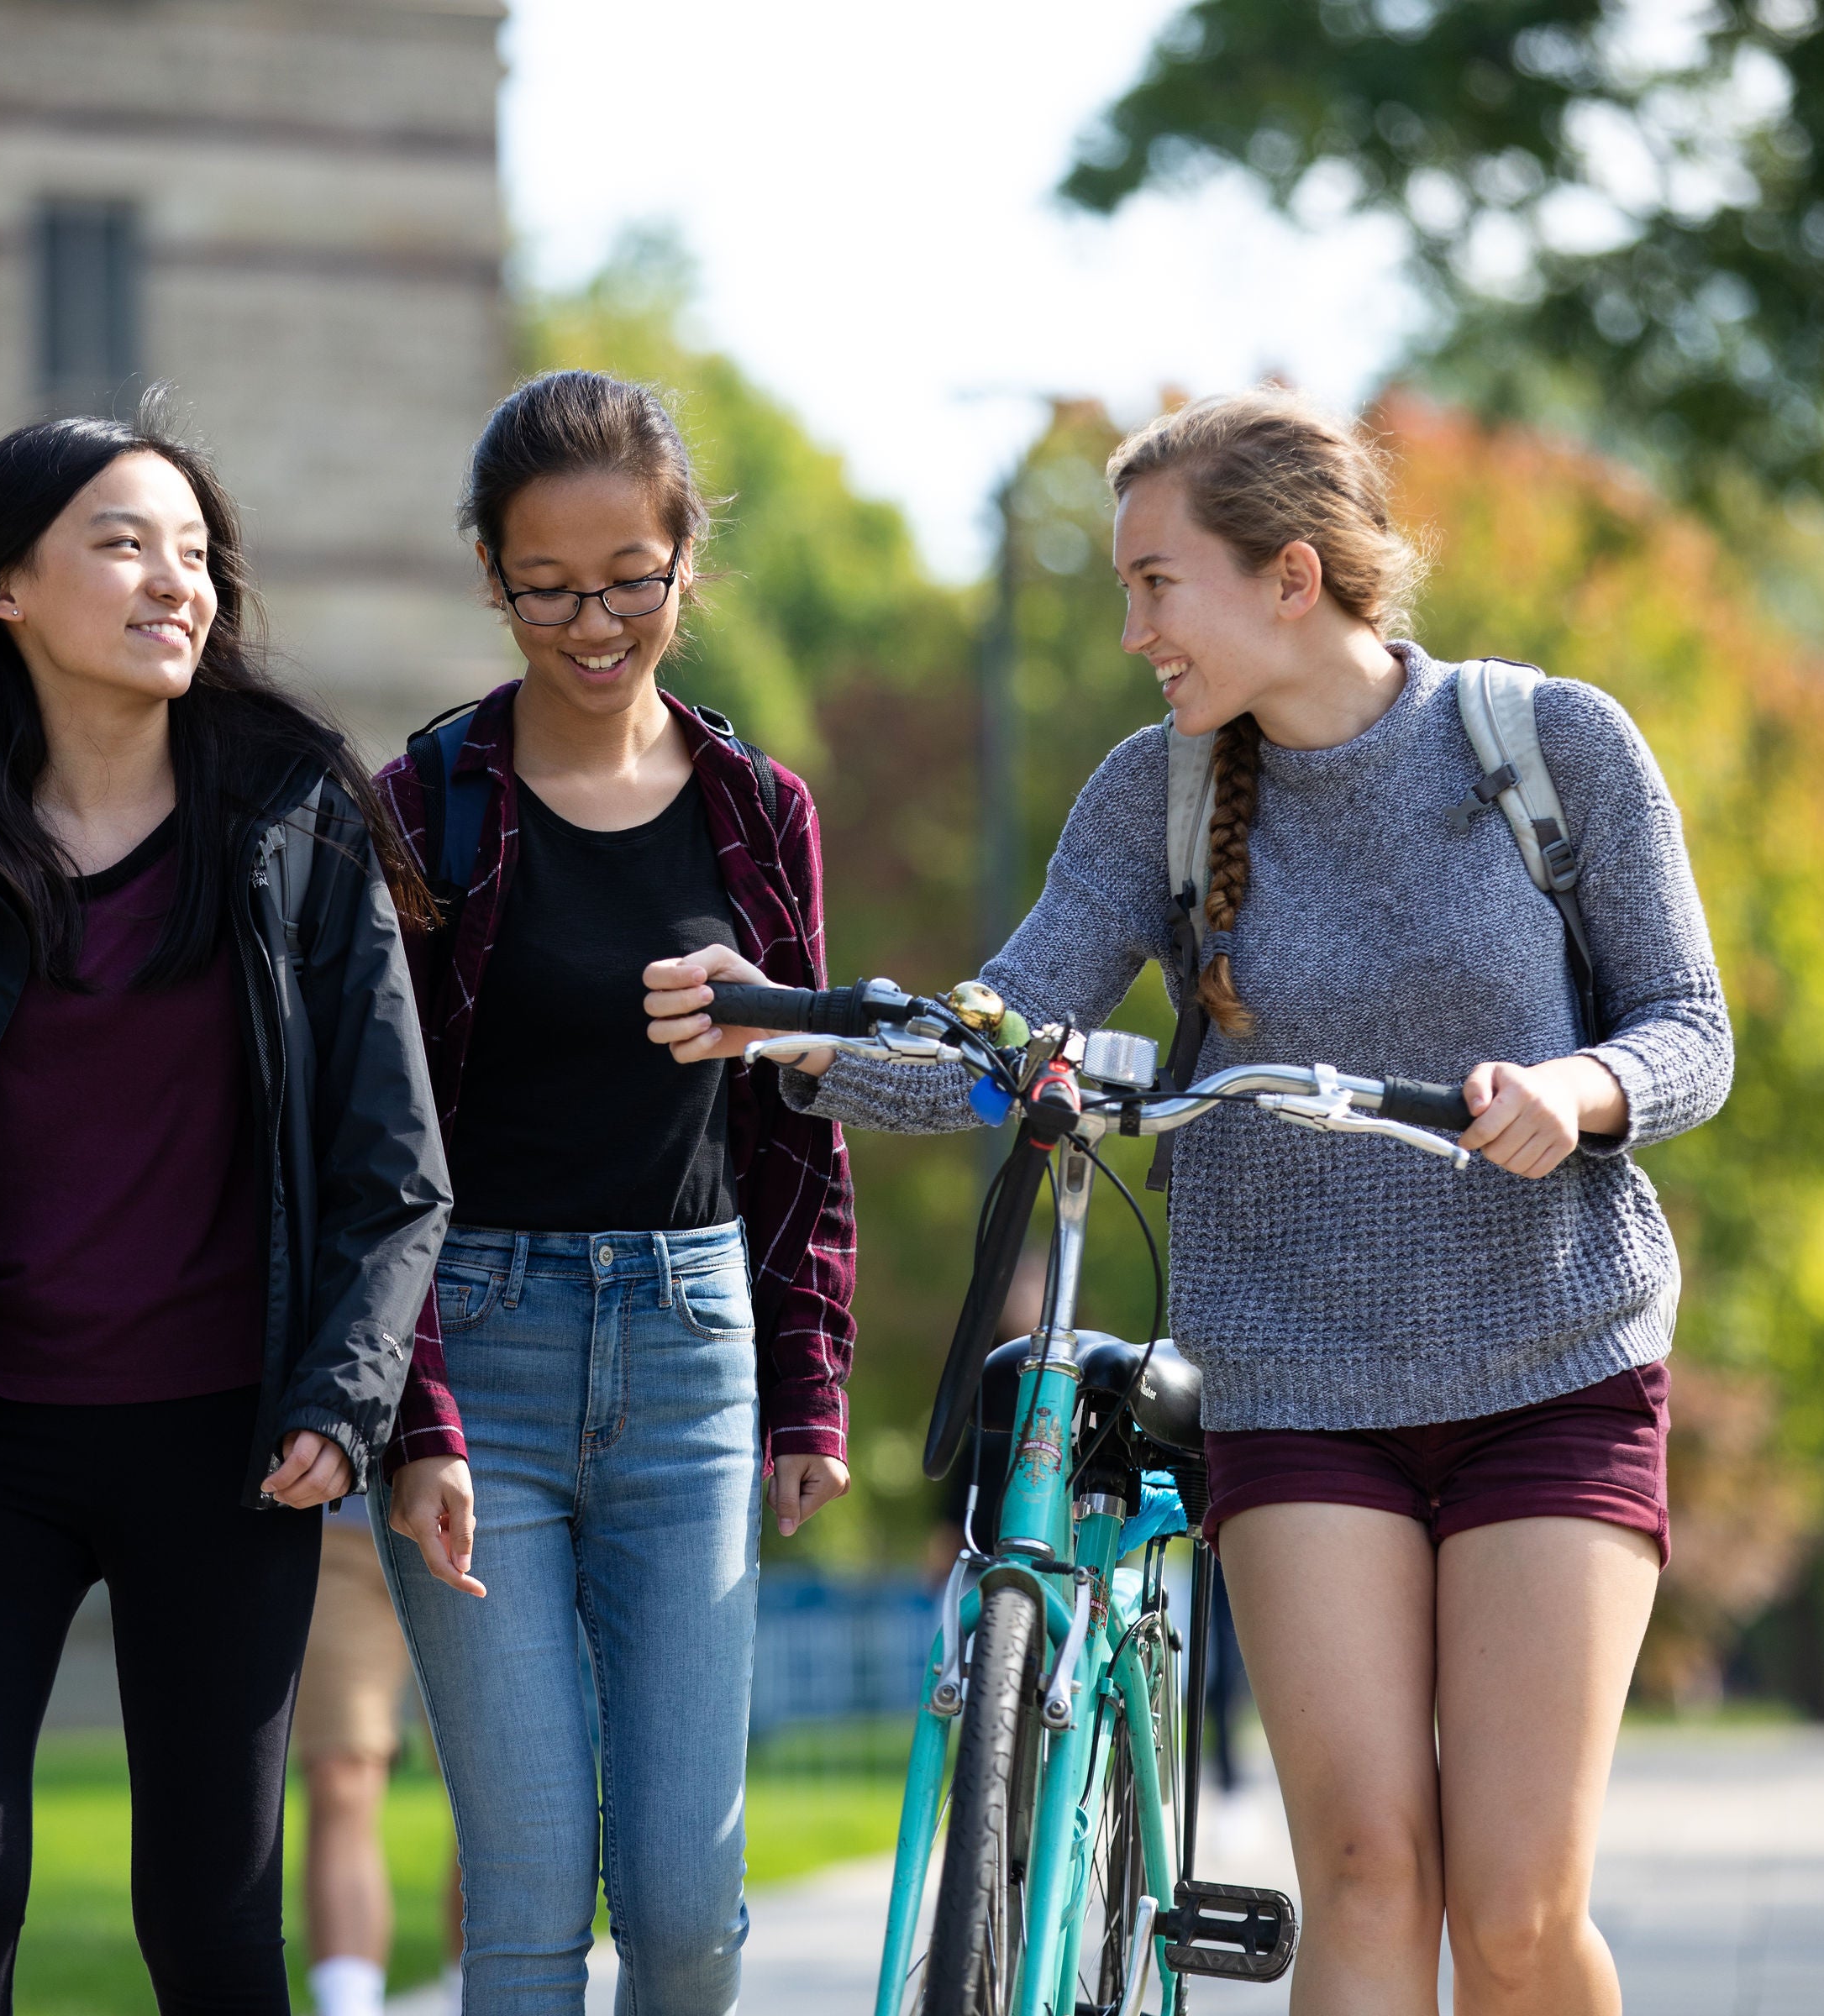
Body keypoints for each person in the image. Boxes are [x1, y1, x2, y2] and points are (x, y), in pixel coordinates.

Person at [651, 388, 1732, 2016]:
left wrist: (1579, 1094)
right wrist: (788, 1033)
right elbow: (1005, 1040)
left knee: (1515, 1911)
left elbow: (1692, 1032)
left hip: (1553, 1367)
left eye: (1160, 582)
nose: (1136, 625)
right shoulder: (1154, 798)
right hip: (1293, 1381)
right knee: (1367, 1866)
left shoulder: (1544, 746)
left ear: (1290, 578)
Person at [0, 412, 452, 2015]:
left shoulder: (292, 816)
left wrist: (347, 1402)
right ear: (5, 585)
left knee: (210, 1925)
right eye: (126, 545)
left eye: (196, 555)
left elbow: (392, 1158)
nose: (174, 585)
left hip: (230, 1442)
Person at [373, 368, 857, 2016]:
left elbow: (799, 1120)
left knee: (687, 1906)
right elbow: (382, 1147)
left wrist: (808, 1388)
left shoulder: (757, 812)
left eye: (630, 582)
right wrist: (416, 1414)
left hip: (691, 1352)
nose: (593, 623)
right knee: (522, 1900)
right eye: (547, 588)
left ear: (686, 564)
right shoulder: (425, 806)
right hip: (479, 1349)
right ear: (492, 580)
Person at [297, 1492, 462, 2016]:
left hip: (476, 1532)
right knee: (339, 1778)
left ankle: (474, 1998)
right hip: (338, 1525)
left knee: (489, 1793)